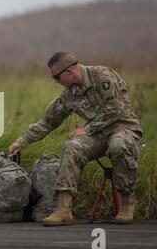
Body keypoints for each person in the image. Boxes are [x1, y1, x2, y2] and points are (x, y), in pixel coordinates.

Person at [9, 52, 142, 226]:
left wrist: (87, 129)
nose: (56, 81)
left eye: (57, 77)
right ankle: (63, 209)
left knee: (118, 146)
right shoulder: (69, 95)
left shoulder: (102, 76)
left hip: (124, 128)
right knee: (71, 147)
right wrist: (21, 141)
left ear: (69, 71)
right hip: (97, 136)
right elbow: (48, 122)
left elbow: (114, 109)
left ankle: (127, 203)